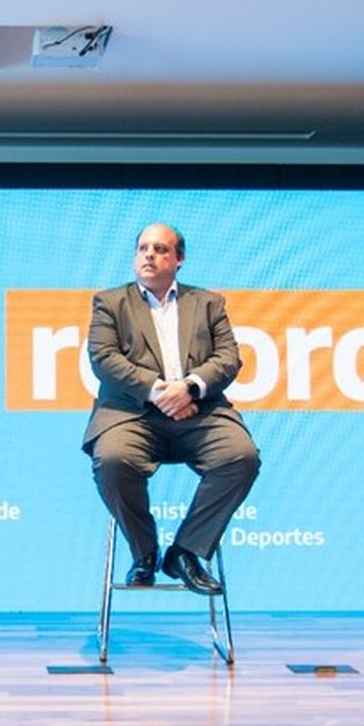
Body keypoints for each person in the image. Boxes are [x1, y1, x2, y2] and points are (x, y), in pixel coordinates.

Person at [82, 223, 261, 595]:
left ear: (179, 259)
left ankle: (186, 552)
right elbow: (104, 359)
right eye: (143, 248)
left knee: (241, 456)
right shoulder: (110, 302)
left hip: (200, 413)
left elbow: (228, 359)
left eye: (160, 249)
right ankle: (144, 552)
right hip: (133, 414)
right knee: (113, 460)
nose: (149, 255)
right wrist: (160, 392)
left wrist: (190, 388)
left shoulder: (208, 303)